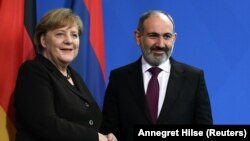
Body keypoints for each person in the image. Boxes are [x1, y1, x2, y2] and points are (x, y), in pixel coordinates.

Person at [100, 10, 213, 141]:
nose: (160, 44)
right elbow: (108, 131)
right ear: (138, 37)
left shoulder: (194, 78)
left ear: (174, 38)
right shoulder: (119, 78)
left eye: (167, 36)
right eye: (153, 35)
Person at [14, 8, 116, 141]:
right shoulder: (33, 71)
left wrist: (107, 136)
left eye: (74, 35)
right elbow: (45, 123)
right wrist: (95, 137)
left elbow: (91, 120)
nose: (69, 41)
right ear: (44, 41)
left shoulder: (75, 76)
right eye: (60, 34)